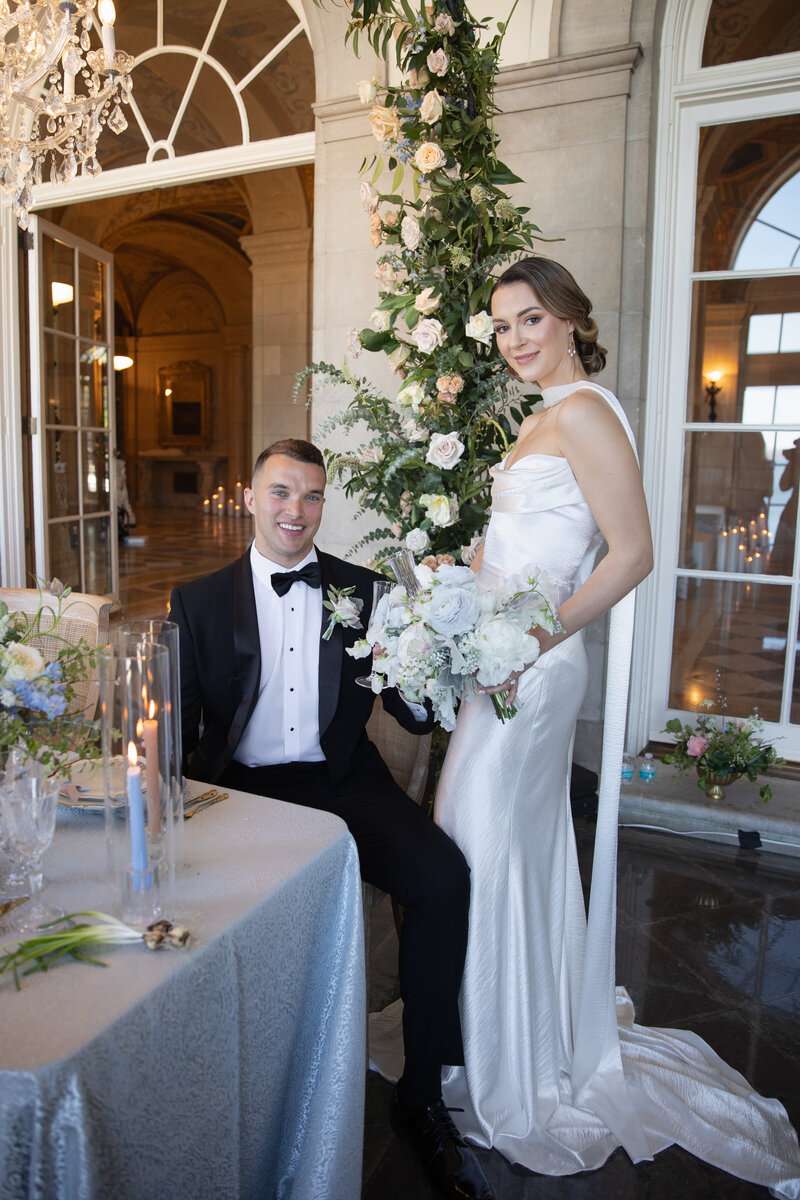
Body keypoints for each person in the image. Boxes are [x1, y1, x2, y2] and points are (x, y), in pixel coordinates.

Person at [434, 258, 800, 1193]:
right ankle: (506, 1028)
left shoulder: (587, 413)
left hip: (536, 663)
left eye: (529, 319)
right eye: (501, 326)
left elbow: (632, 553)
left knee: (484, 838)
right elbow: (519, 544)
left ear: (568, 318)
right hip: (499, 657)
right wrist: (451, 588)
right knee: (487, 839)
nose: (515, 340)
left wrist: (531, 637)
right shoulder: (540, 417)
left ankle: (517, 1060)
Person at [169, 438, 494, 1200]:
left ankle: (422, 1097)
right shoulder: (199, 601)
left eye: (312, 496)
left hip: (342, 780)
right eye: (281, 493)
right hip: (242, 792)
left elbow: (413, 715)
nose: (296, 510)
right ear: (250, 499)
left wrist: (428, 654)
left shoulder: (365, 591)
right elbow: (176, 733)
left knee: (443, 878)